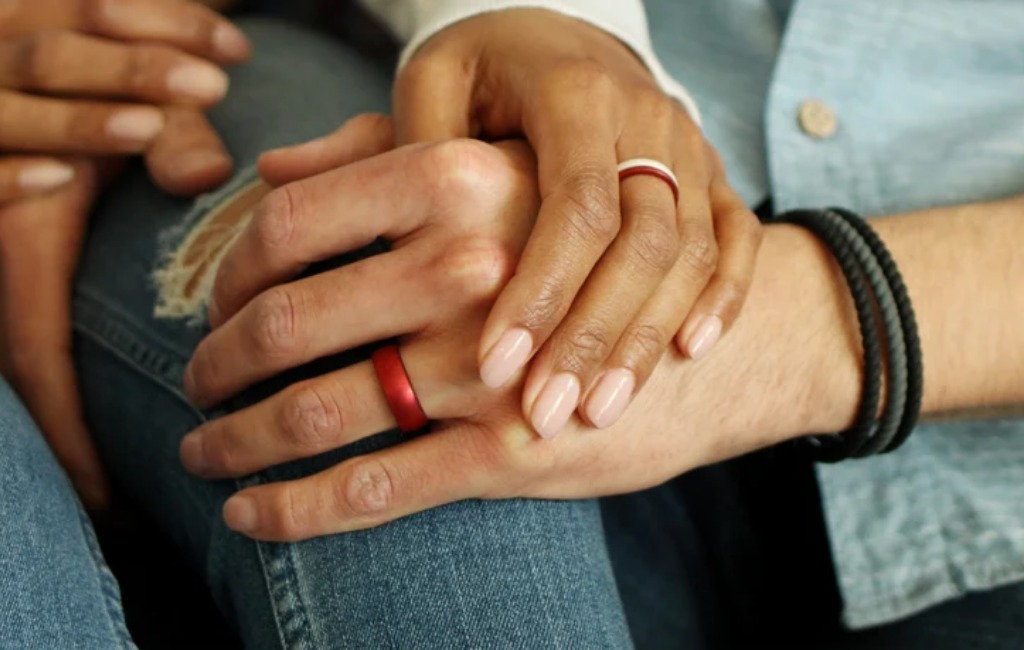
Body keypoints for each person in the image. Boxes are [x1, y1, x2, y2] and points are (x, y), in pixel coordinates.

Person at [1, 1, 1022, 649]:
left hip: (984, 471)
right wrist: (543, 22)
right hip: (527, 147)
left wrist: (814, 323)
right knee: (383, 313)